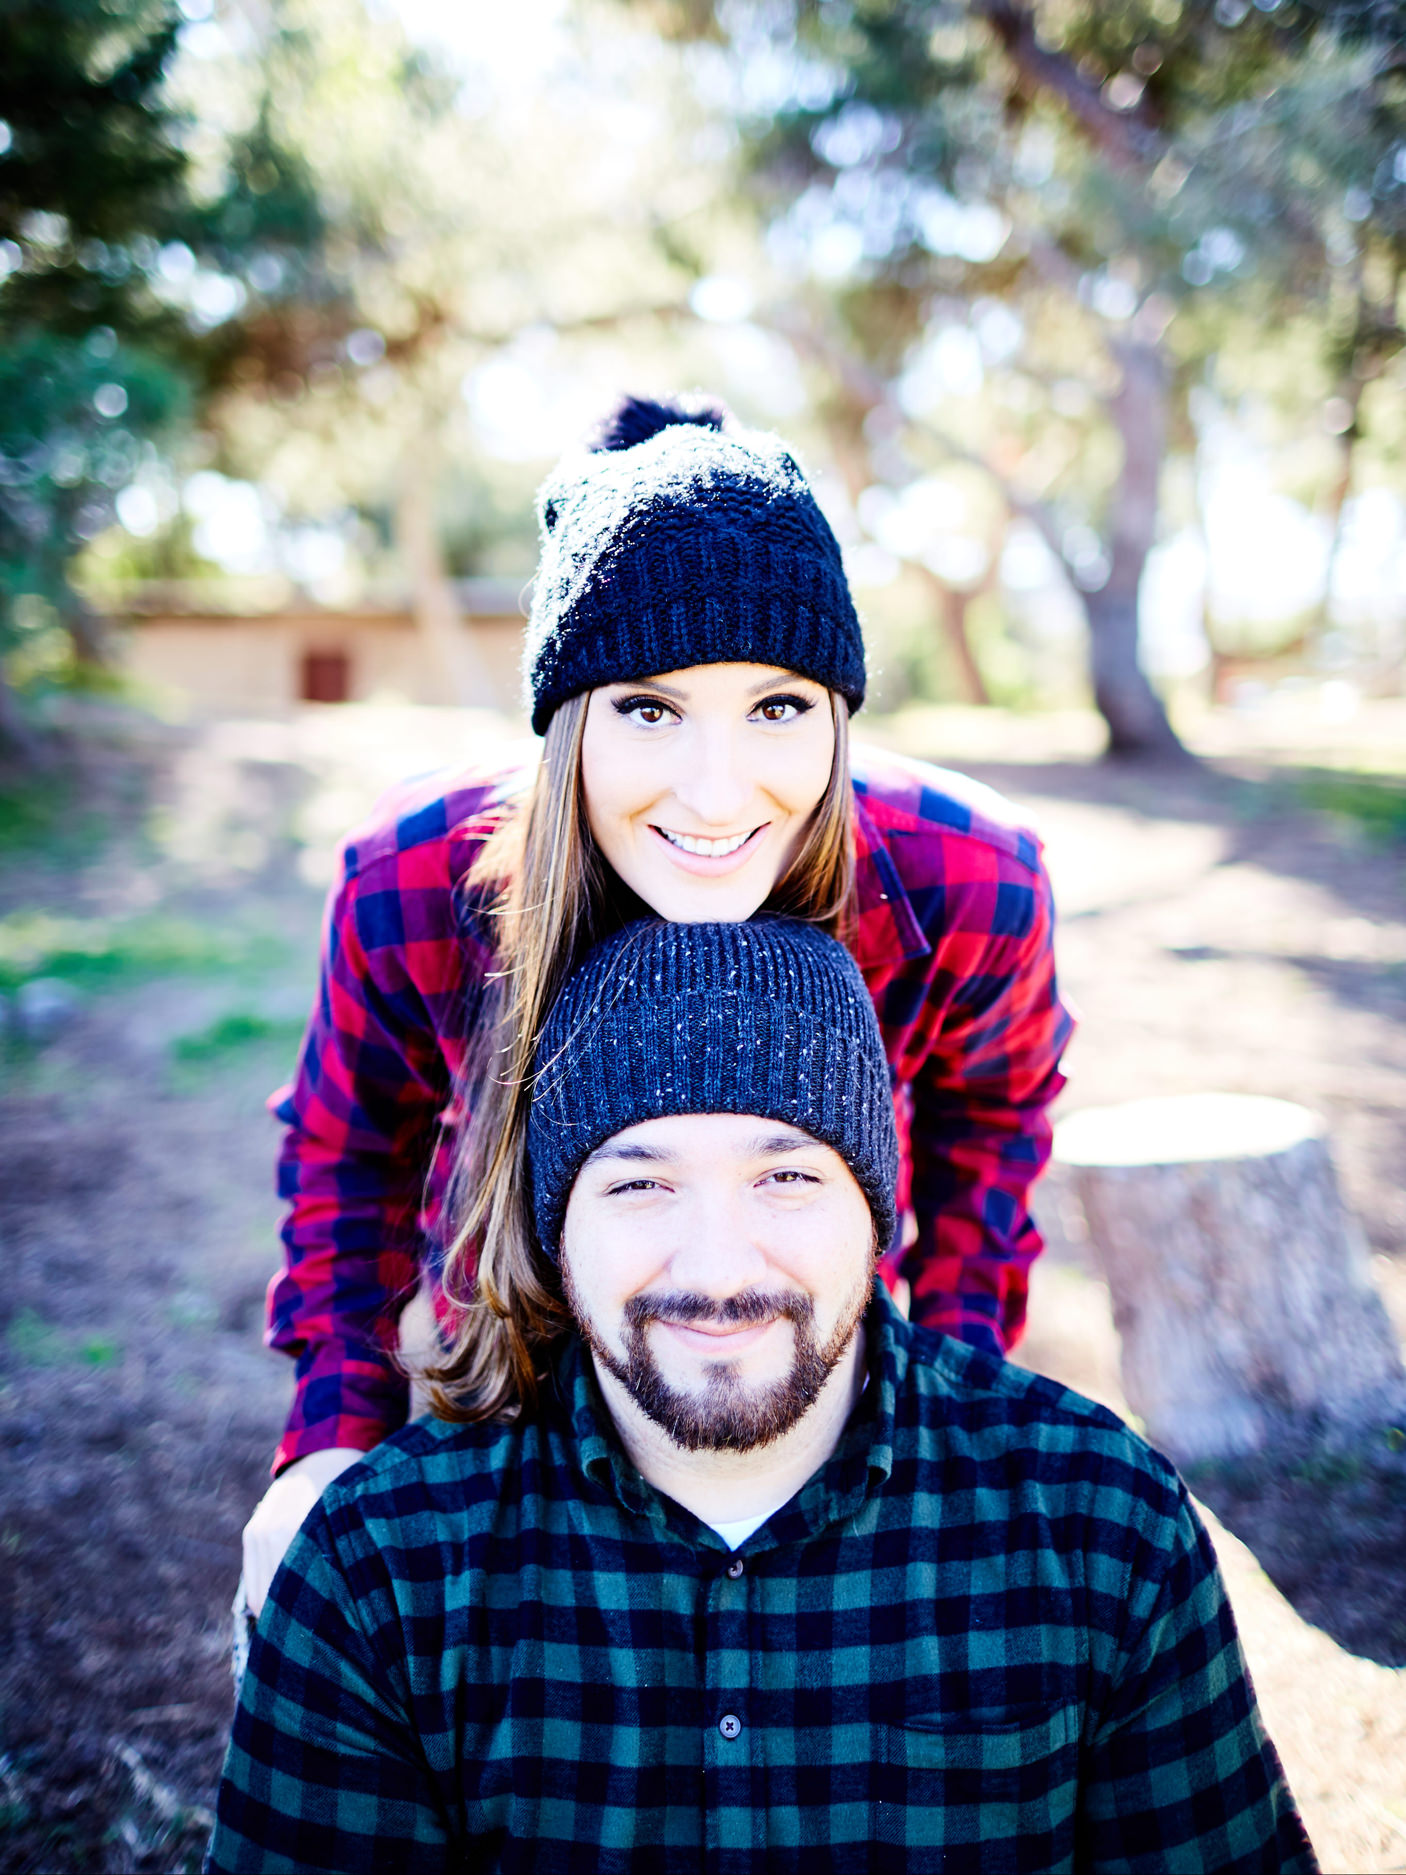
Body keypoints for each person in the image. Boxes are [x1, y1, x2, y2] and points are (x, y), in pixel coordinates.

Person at [210, 917, 1314, 1874]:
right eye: (639, 1184)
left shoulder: (1096, 1519)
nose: (717, 1266)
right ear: (555, 1231)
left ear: (874, 1211)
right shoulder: (384, 1568)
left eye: (786, 1177)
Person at [240, 393, 1074, 1616]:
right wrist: (329, 1444)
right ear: (567, 723)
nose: (715, 792)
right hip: (512, 1389)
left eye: (776, 707)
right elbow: (351, 1153)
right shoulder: (412, 877)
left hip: (808, 1387)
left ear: (838, 715)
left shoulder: (965, 882)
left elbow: (991, 1121)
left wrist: (955, 1398)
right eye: (648, 708)